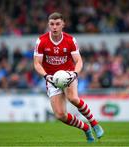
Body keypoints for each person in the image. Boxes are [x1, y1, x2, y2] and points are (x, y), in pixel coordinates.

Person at [34, 12, 104, 143]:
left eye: (57, 24)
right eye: (52, 24)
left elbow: (79, 61)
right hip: (52, 79)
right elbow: (37, 63)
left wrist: (74, 74)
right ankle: (85, 128)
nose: (54, 27)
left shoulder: (70, 40)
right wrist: (46, 76)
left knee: (73, 98)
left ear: (63, 24)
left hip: (68, 75)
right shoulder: (41, 41)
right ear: (48, 25)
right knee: (60, 115)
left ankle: (94, 124)